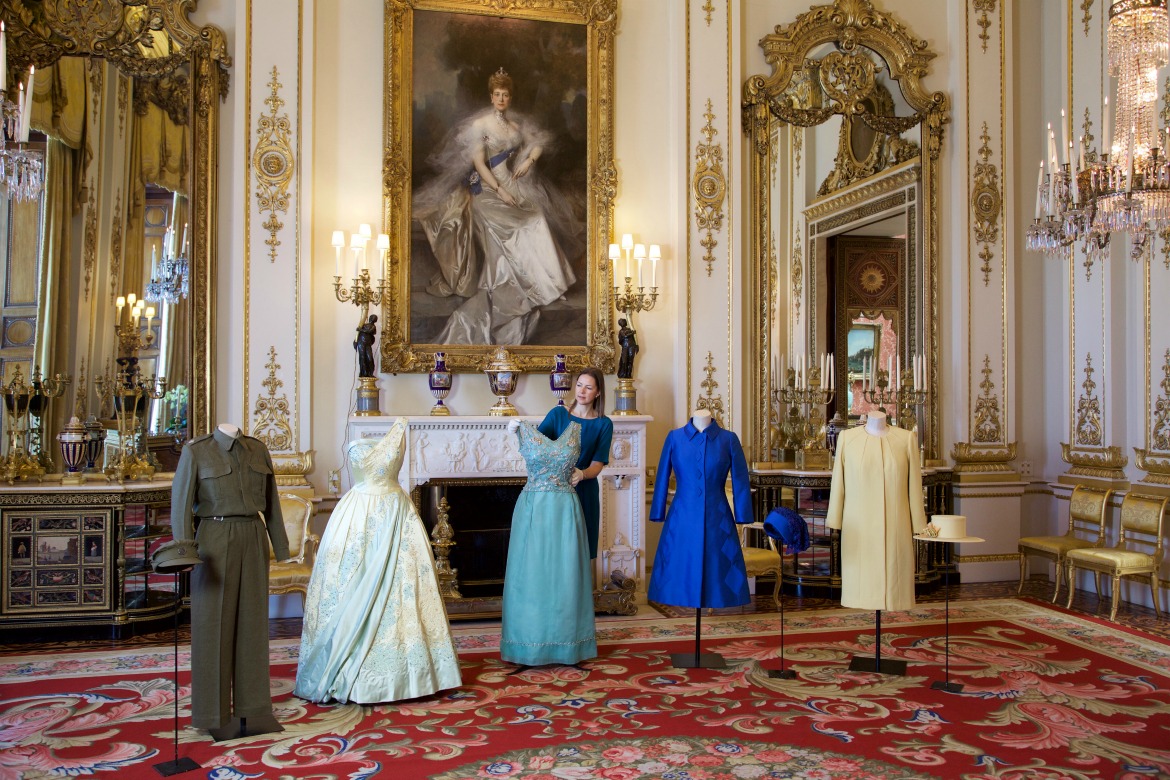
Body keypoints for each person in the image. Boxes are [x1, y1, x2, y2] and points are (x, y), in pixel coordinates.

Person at [296, 418, 461, 704]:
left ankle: (409, 675)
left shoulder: (402, 428)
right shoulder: (360, 445)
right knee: (349, 583)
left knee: (404, 589)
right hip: (356, 519)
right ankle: (350, 669)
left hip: (398, 516)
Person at [414, 67, 580, 345]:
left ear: (509, 98)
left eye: (505, 95)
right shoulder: (480, 126)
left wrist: (528, 161)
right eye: (497, 95)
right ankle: (527, 285)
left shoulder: (515, 127)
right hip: (489, 190)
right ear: (491, 97)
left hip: (514, 185)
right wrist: (500, 191)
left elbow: (537, 143)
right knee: (515, 226)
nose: (501, 99)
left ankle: (545, 284)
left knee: (536, 218)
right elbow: (479, 163)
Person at [171, 422, 289, 738]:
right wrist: (183, 552)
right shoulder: (197, 451)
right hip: (213, 538)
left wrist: (281, 546)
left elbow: (272, 502)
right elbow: (181, 504)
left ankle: (254, 709)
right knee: (213, 626)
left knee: (252, 626)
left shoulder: (257, 449)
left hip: (253, 536)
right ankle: (212, 712)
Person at [500, 417, 596, 667]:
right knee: (530, 577)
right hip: (533, 510)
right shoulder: (519, 427)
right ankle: (527, 644)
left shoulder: (578, 429)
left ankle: (569, 645)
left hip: (565, 510)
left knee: (566, 576)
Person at [647, 409, 754, 608]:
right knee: (679, 566)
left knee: (718, 567)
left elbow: (740, 479)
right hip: (681, 516)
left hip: (718, 517)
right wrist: (657, 511)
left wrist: (743, 514)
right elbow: (662, 477)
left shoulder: (728, 439)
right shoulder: (675, 438)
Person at [826, 411, 927, 611]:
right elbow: (838, 483)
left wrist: (919, 524)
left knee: (894, 580)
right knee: (862, 582)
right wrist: (835, 518)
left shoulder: (906, 439)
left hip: (896, 526)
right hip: (859, 528)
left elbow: (915, 486)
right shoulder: (848, 438)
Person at [537, 367, 613, 560]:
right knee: (554, 548)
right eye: (579, 385)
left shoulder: (604, 424)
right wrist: (518, 431)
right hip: (555, 490)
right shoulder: (558, 415)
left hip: (584, 491)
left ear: (598, 392)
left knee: (580, 551)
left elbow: (597, 464)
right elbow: (537, 446)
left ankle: (579, 591)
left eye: (588, 387)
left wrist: (582, 474)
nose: (581, 391)